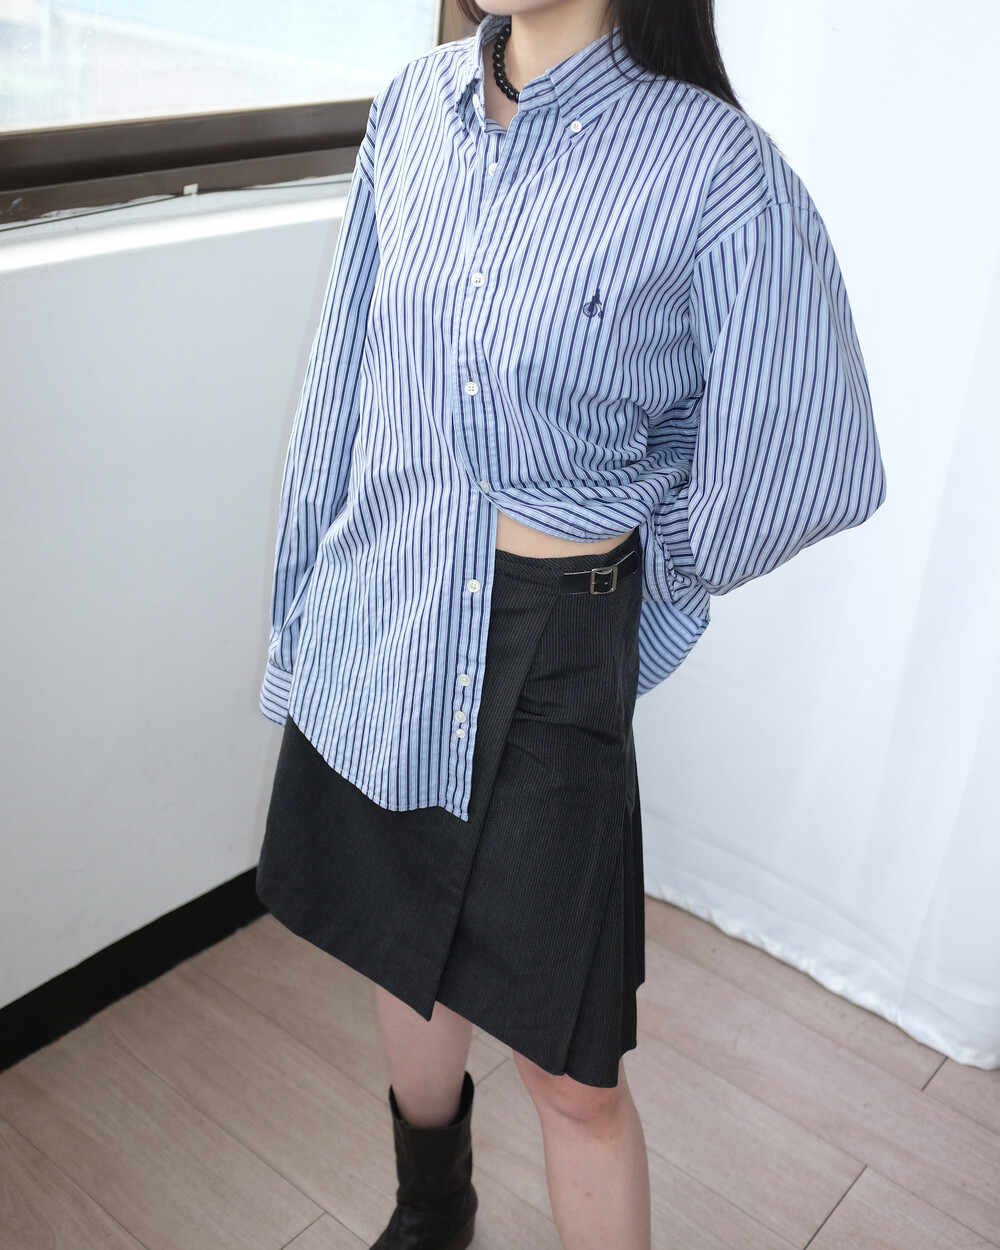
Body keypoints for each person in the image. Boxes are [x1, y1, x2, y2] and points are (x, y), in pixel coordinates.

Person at [255, 1, 887, 1247]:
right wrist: (300, 612)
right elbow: (343, 381)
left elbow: (811, 455)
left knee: (571, 1068)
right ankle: (430, 1206)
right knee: (400, 945)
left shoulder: (712, 168)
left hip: (548, 645)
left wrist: (649, 560)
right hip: (384, 598)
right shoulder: (411, 110)